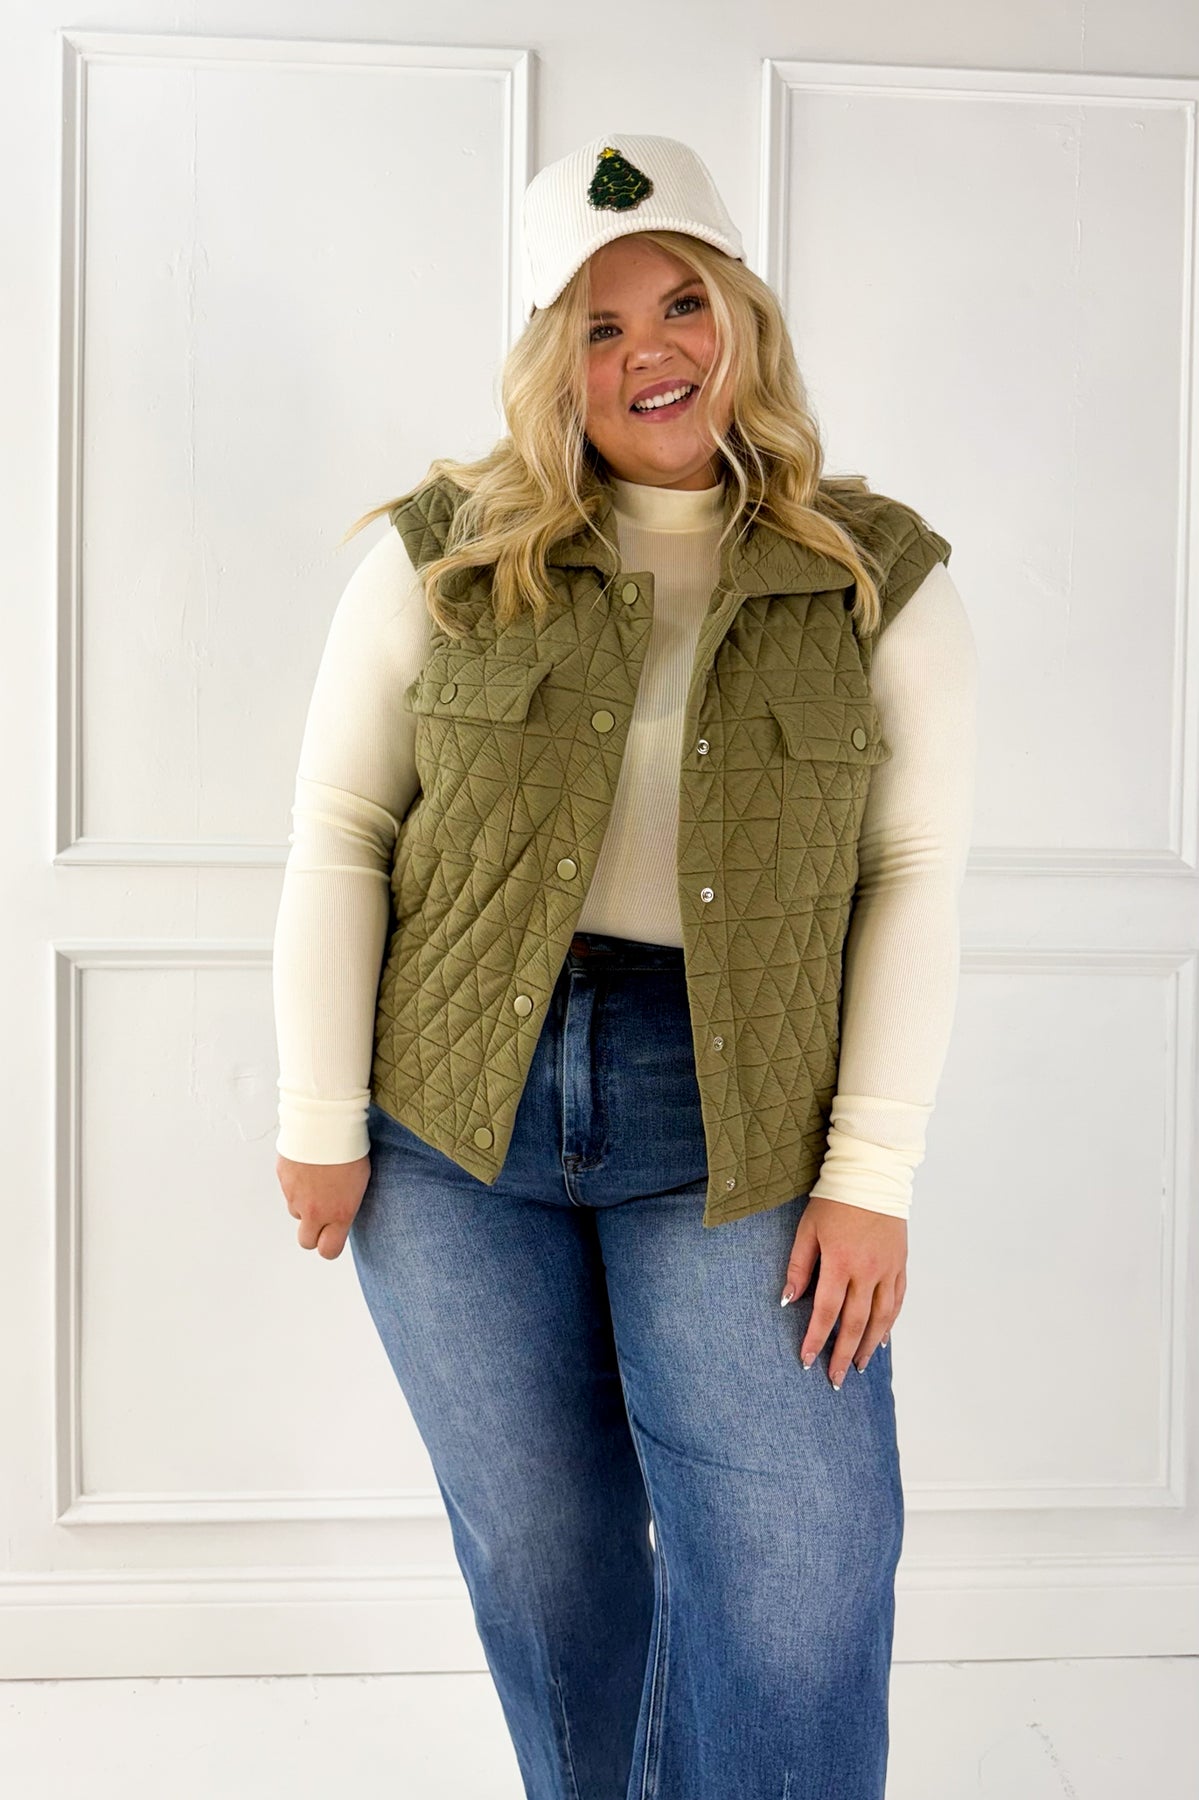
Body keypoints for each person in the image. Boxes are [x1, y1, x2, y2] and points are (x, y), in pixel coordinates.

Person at [272, 132, 977, 1800]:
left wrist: (872, 1173)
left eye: (681, 304)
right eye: (595, 326)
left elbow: (914, 877)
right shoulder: (444, 552)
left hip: (738, 1118)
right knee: (550, 1567)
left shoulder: (875, 576)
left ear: (744, 317)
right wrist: (317, 1111)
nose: (648, 351)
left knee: (800, 1570)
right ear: (548, 360)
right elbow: (342, 828)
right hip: (450, 1121)